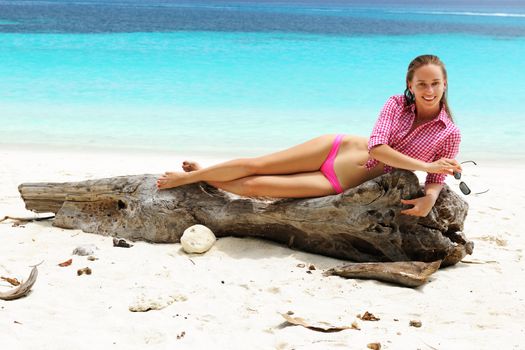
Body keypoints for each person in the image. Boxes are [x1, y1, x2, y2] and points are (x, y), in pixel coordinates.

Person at [156, 54, 462, 217]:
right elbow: (377, 147)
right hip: (336, 148)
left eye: (435, 83)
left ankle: (204, 177)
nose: (429, 90)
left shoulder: (450, 132)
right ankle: (189, 178)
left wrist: (430, 200)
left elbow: (438, 180)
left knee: (256, 187)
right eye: (421, 84)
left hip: (338, 181)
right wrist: (426, 166)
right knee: (257, 164)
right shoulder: (395, 104)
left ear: (445, 84)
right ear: (410, 85)